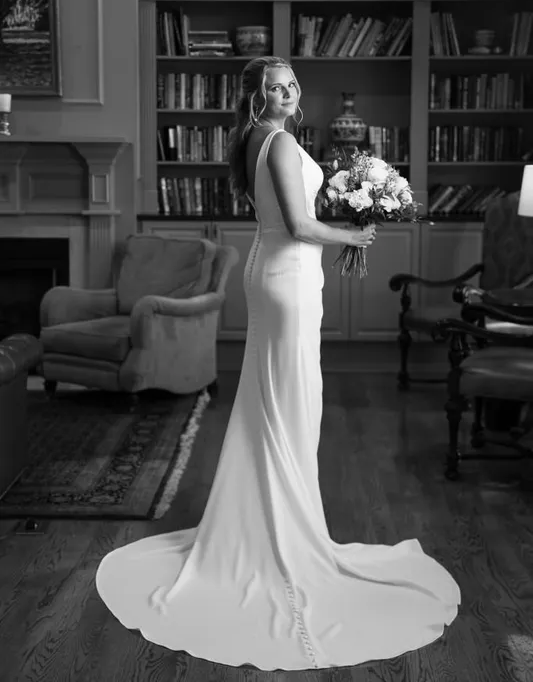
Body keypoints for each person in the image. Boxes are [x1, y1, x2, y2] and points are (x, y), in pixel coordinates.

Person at [95, 56, 460, 671]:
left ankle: (274, 523)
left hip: (272, 271)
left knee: (277, 400)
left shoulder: (254, 140)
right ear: (256, 96)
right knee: (292, 402)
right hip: (287, 276)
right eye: (275, 87)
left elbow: (283, 220)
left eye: (292, 84)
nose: (288, 92)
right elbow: (298, 223)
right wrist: (353, 236)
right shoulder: (281, 142)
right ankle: (283, 538)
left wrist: (344, 223)